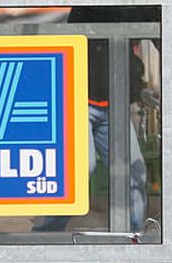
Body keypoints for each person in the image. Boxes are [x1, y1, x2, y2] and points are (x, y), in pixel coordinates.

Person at [34, 7, 159, 233]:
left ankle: (134, 237)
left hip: (115, 103)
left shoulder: (146, 7)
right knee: (82, 167)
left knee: (133, 171)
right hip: (78, 99)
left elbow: (170, 41)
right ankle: (45, 234)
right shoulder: (90, 7)